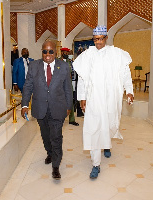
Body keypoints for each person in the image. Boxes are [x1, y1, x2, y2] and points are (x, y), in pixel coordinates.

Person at [73, 25, 134, 179]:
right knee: (93, 128)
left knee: (109, 124)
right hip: (94, 99)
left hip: (111, 98)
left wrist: (130, 90)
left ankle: (106, 145)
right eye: (95, 39)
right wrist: (82, 97)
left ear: (106, 38)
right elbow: (82, 78)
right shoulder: (87, 55)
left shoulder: (116, 53)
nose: (98, 42)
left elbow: (125, 73)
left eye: (100, 39)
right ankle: (96, 164)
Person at [21, 41, 73, 180]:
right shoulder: (33, 66)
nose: (48, 54)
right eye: (45, 51)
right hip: (40, 108)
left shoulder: (63, 66)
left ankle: (56, 166)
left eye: (51, 51)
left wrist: (69, 106)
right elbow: (28, 87)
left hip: (58, 108)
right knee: (45, 136)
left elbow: (68, 88)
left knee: (56, 136)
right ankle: (50, 153)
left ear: (55, 52)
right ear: (42, 52)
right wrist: (24, 105)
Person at [59, 47, 79, 126]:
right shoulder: (57, 61)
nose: (66, 54)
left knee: (70, 101)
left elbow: (73, 73)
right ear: (61, 53)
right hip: (59, 85)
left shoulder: (70, 62)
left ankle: (72, 119)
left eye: (67, 53)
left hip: (69, 84)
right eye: (64, 52)